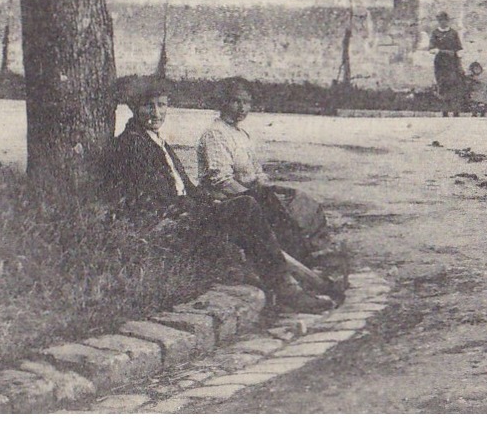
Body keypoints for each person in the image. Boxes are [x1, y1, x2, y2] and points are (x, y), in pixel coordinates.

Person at [105, 80, 333, 314]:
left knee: (254, 203)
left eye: (161, 105)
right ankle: (286, 288)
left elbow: (184, 188)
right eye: (148, 106)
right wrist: (197, 207)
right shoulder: (132, 144)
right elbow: (153, 198)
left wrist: (206, 201)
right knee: (246, 206)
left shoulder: (153, 139)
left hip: (183, 212)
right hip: (167, 224)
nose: (156, 113)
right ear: (134, 108)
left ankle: (295, 273)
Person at [196, 80, 336, 281]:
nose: (243, 108)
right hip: (226, 198)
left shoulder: (242, 134)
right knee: (272, 206)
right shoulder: (215, 134)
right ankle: (296, 265)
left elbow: (256, 172)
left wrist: (269, 187)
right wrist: (257, 195)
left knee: (299, 200)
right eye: (236, 101)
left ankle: (311, 254)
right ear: (223, 102)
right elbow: (221, 181)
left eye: (247, 102)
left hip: (249, 192)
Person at [428, 11, 466, 117]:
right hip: (440, 63)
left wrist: (458, 57)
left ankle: (455, 111)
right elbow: (431, 48)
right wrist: (438, 51)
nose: (443, 23)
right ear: (438, 21)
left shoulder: (453, 33)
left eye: (444, 20)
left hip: (452, 62)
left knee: (454, 85)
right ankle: (445, 110)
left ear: (448, 21)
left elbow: (459, 47)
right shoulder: (435, 33)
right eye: (440, 20)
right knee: (443, 85)